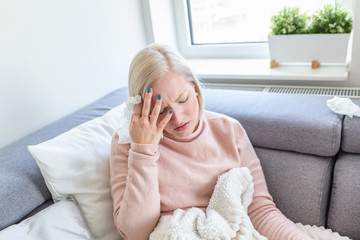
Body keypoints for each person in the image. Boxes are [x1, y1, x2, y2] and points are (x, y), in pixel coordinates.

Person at [109, 43, 314, 240]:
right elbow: (136, 234)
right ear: (141, 108)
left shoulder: (229, 130)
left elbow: (260, 210)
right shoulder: (128, 145)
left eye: (183, 100)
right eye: (161, 110)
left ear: (195, 89)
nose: (178, 118)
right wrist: (144, 149)